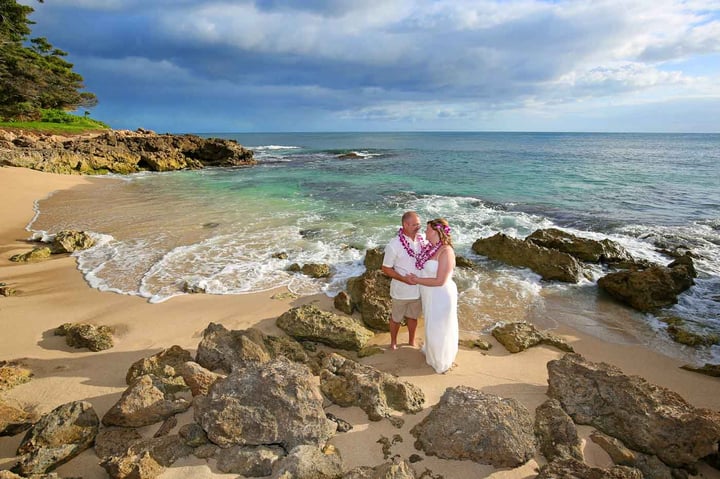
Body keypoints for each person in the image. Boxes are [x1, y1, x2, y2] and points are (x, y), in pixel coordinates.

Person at [407, 218, 458, 374]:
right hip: (429, 294)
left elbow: (440, 280)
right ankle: (431, 352)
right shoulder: (432, 248)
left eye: (428, 229)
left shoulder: (446, 251)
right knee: (431, 324)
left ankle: (441, 360)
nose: (425, 232)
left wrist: (416, 280)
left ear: (437, 232)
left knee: (439, 327)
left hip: (440, 295)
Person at [381, 211, 424, 350]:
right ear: (405, 225)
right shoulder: (394, 245)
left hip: (418, 290)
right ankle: (393, 342)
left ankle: (411, 341)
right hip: (400, 291)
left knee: (413, 318)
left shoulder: (423, 240)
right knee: (396, 318)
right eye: (415, 224)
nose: (418, 227)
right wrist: (404, 279)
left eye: (419, 224)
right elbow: (385, 268)